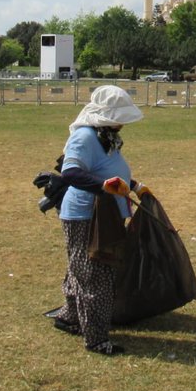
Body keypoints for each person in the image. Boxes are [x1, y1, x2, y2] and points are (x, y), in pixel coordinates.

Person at [52, 85, 147, 355]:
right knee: (95, 275)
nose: (123, 123)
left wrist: (135, 185)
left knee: (80, 267)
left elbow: (107, 170)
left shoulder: (105, 136)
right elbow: (71, 172)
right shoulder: (84, 136)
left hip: (104, 212)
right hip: (86, 214)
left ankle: (69, 316)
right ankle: (96, 338)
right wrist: (105, 186)